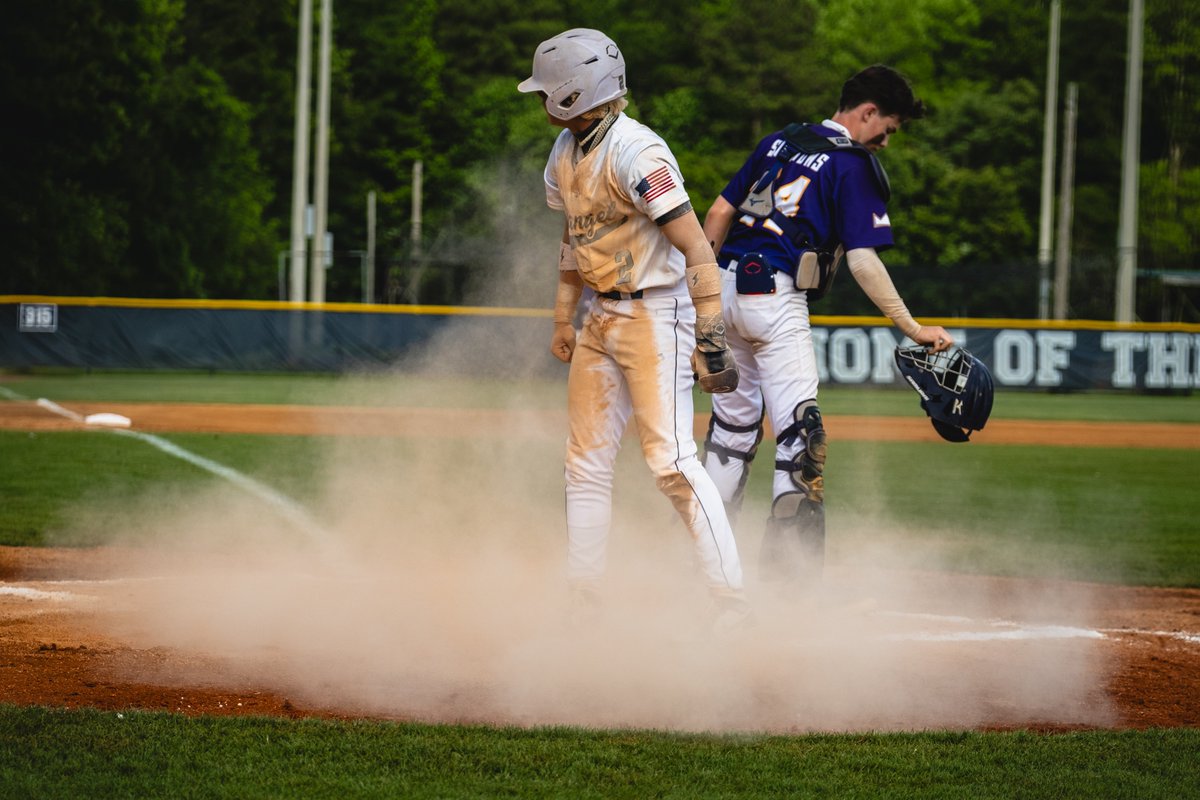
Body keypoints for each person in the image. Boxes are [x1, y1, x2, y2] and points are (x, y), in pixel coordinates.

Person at [517, 28, 750, 628]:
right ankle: (584, 597)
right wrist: (563, 316)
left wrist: (710, 333)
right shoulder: (567, 152)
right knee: (585, 460)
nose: (541, 101)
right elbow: (575, 238)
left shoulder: (638, 152)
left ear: (571, 93)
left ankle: (730, 603)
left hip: (656, 312)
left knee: (672, 463)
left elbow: (699, 248)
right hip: (601, 312)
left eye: (547, 91)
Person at [700, 64, 954, 585]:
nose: (887, 139)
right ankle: (788, 588)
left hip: (724, 291)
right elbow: (863, 260)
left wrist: (703, 299)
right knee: (800, 435)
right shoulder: (851, 164)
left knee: (731, 433)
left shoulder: (779, 142)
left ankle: (706, 571)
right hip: (775, 298)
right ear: (868, 113)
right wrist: (912, 327)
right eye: (890, 126)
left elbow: (719, 212)